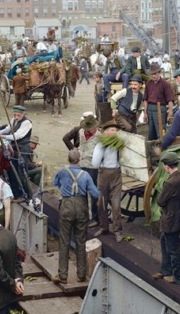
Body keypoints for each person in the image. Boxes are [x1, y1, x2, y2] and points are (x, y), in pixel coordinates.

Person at [52, 150, 100, 284]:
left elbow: (55, 184)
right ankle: (81, 274)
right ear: (80, 159)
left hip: (66, 206)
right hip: (81, 207)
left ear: (68, 159)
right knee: (81, 241)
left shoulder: (62, 172)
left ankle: (62, 275)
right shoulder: (85, 175)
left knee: (64, 241)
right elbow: (95, 193)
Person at [152, 152, 180, 285]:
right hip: (179, 216)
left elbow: (160, 201)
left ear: (166, 167)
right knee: (164, 241)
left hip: (170, 219)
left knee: (173, 249)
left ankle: (179, 277)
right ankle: (165, 270)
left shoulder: (170, 182)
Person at [62, 113, 102, 226]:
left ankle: (95, 217)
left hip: (93, 166)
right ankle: (83, 214)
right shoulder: (80, 132)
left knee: (93, 191)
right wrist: (74, 150)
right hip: (82, 164)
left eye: (90, 129)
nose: (87, 131)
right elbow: (68, 140)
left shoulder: (99, 136)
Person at [91, 120, 125, 242]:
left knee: (116, 204)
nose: (114, 132)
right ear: (105, 132)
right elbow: (95, 163)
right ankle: (104, 227)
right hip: (103, 174)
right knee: (102, 203)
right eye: (112, 130)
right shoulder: (101, 145)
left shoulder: (120, 144)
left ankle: (117, 230)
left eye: (116, 130)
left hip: (116, 174)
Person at [0, 105, 34, 200]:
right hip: (14, 149)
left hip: (23, 150)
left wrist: (1, 136)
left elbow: (17, 136)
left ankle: (28, 195)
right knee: (12, 171)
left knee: (22, 172)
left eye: (18, 115)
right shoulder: (13, 120)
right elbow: (7, 129)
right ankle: (16, 194)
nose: (16, 117)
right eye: (14, 115)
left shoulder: (27, 123)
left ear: (23, 114)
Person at [144, 64, 176, 141]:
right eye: (152, 74)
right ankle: (152, 149)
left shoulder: (165, 84)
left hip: (160, 109)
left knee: (160, 131)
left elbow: (170, 100)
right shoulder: (148, 84)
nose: (153, 76)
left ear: (159, 73)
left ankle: (162, 148)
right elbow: (145, 99)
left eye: (155, 73)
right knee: (151, 132)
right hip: (150, 108)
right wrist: (145, 112)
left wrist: (170, 113)